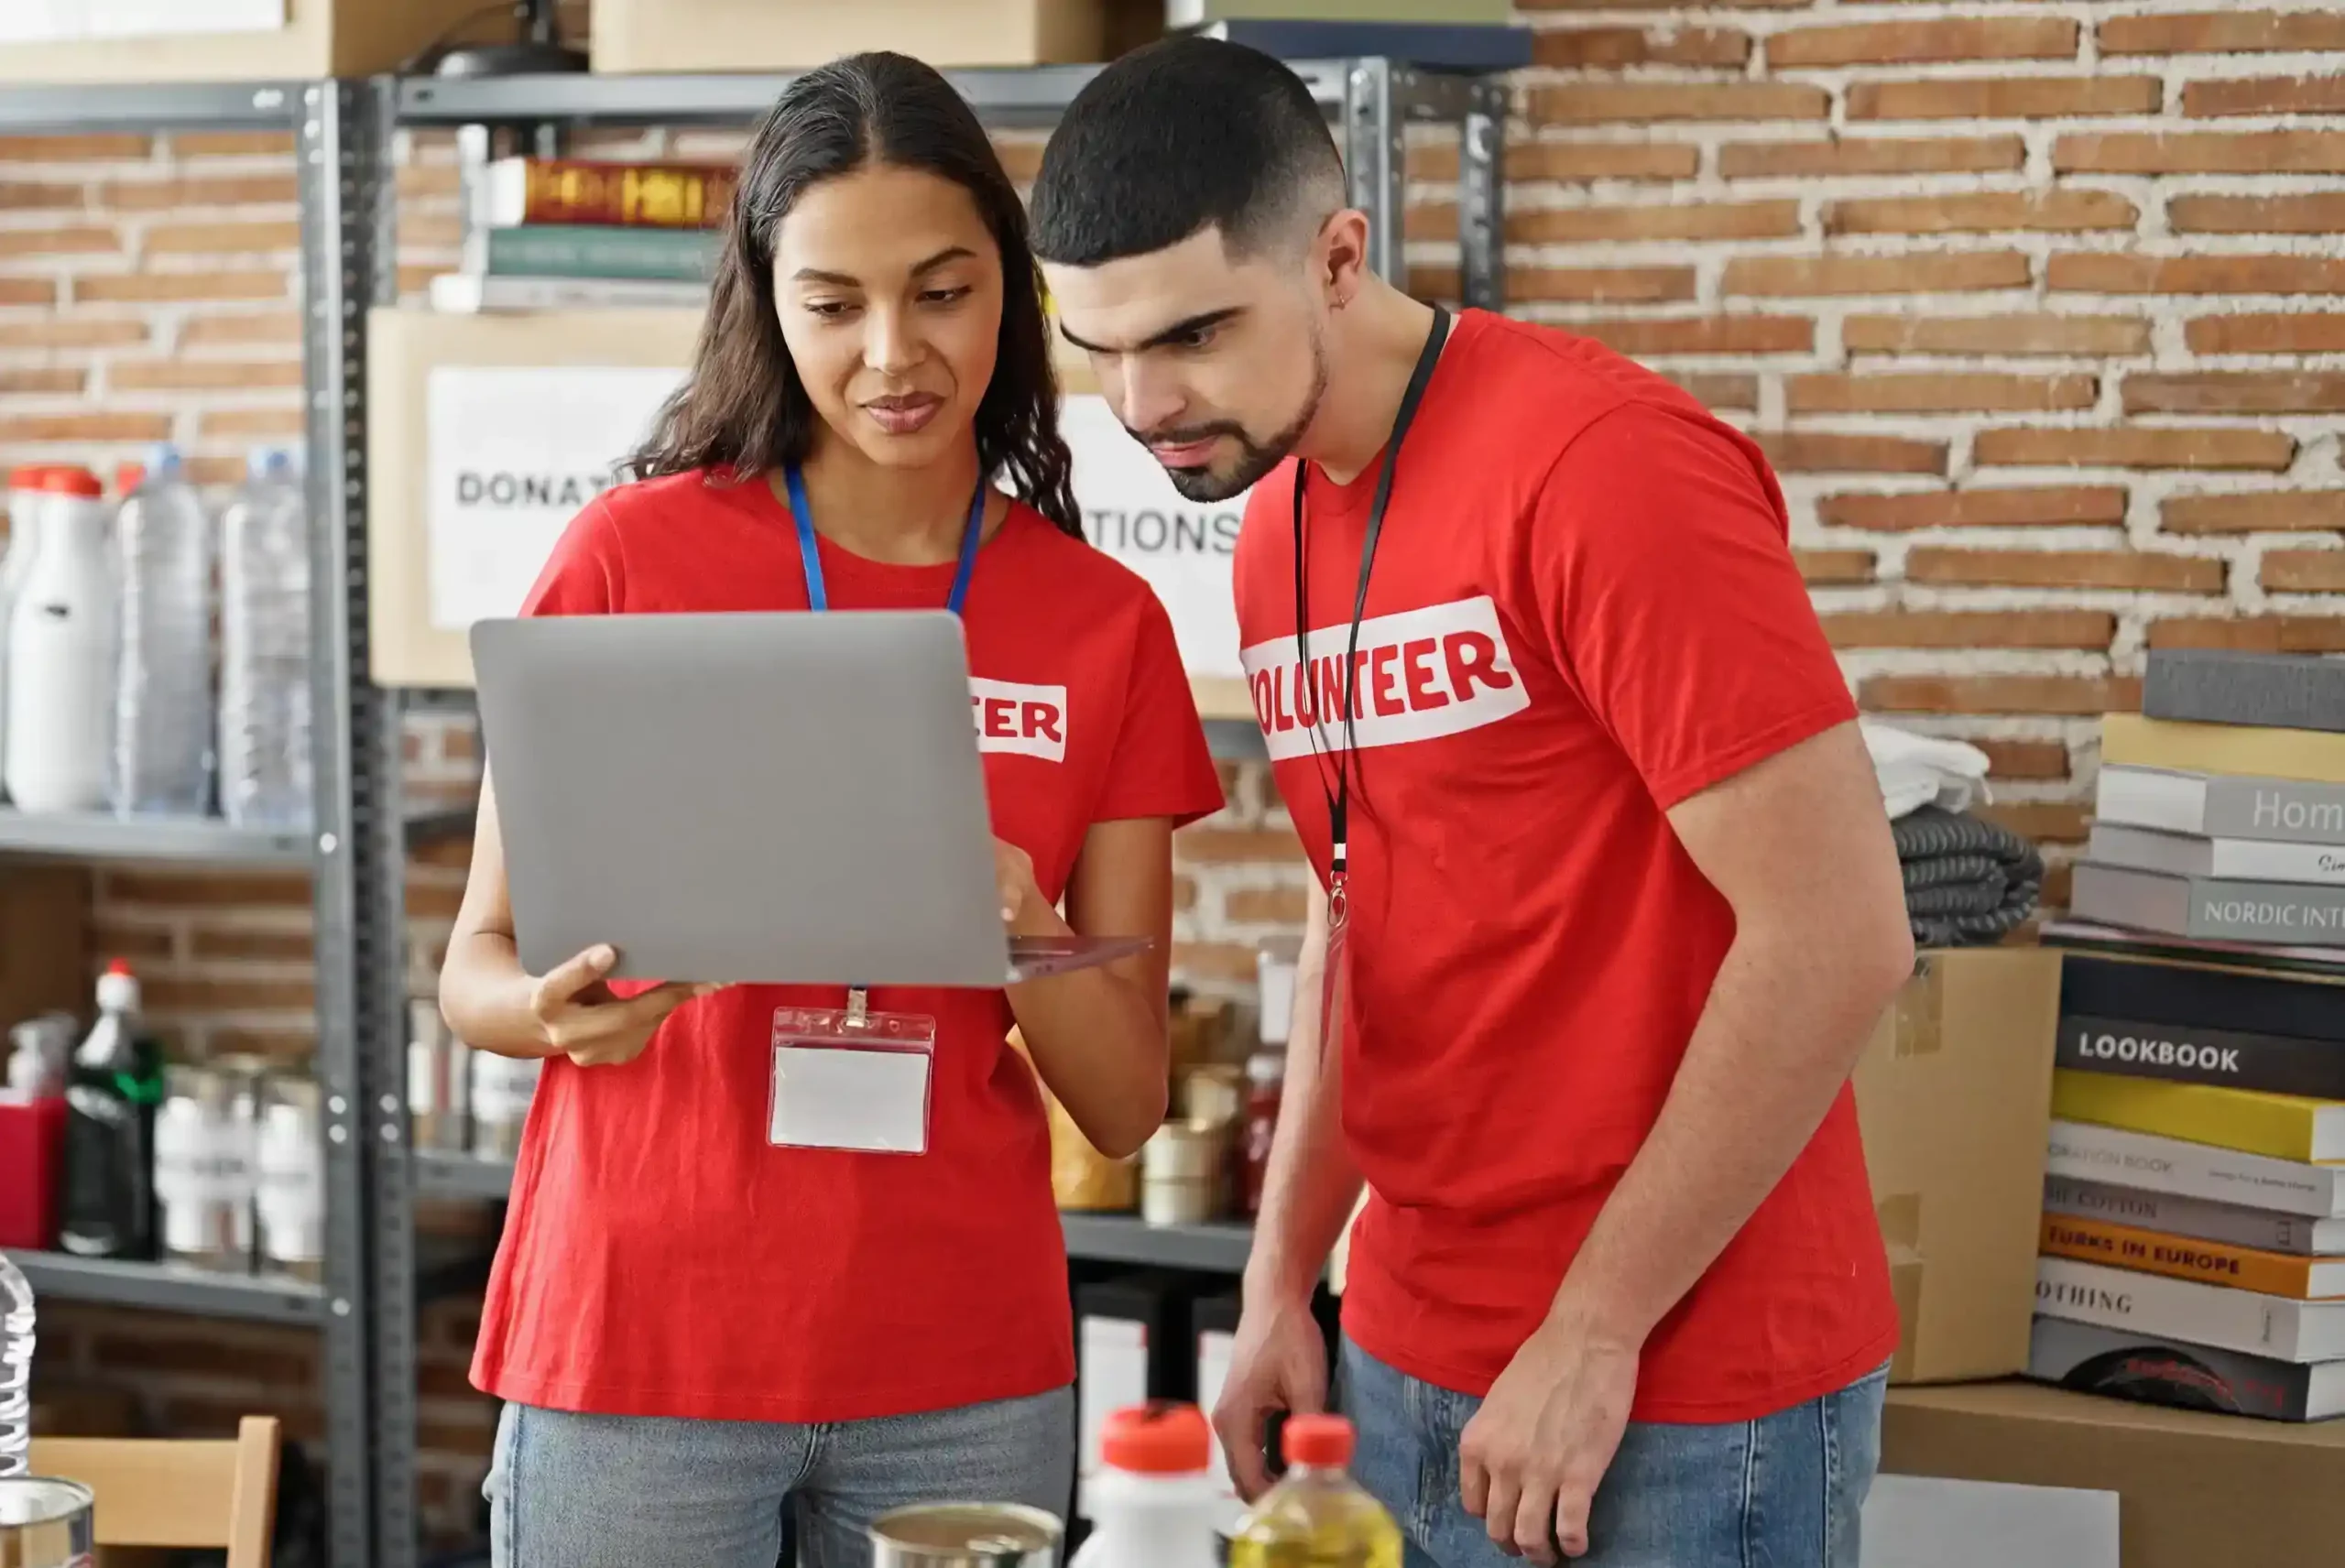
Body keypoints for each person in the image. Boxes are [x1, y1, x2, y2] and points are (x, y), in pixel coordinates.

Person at [1028, 37, 1915, 1568]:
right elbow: (1352, 911)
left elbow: (1839, 934)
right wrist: (1279, 1280)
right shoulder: (1268, 521)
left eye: (1192, 333)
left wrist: (1592, 1332)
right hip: (1404, 1353)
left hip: (1679, 1381)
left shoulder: (1603, 469)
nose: (1143, 402)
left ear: (1340, 256)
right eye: (1098, 347)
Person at [438, 51, 1225, 1568]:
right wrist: (552, 1015)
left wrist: (1021, 928)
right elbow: (477, 965)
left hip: (958, 1368)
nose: (892, 355)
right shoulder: (626, 564)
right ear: (766, 297)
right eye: (834, 304)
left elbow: (1125, 1101)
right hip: (640, 1349)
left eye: (942, 292)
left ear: (1016, 289)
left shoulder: (1102, 623)